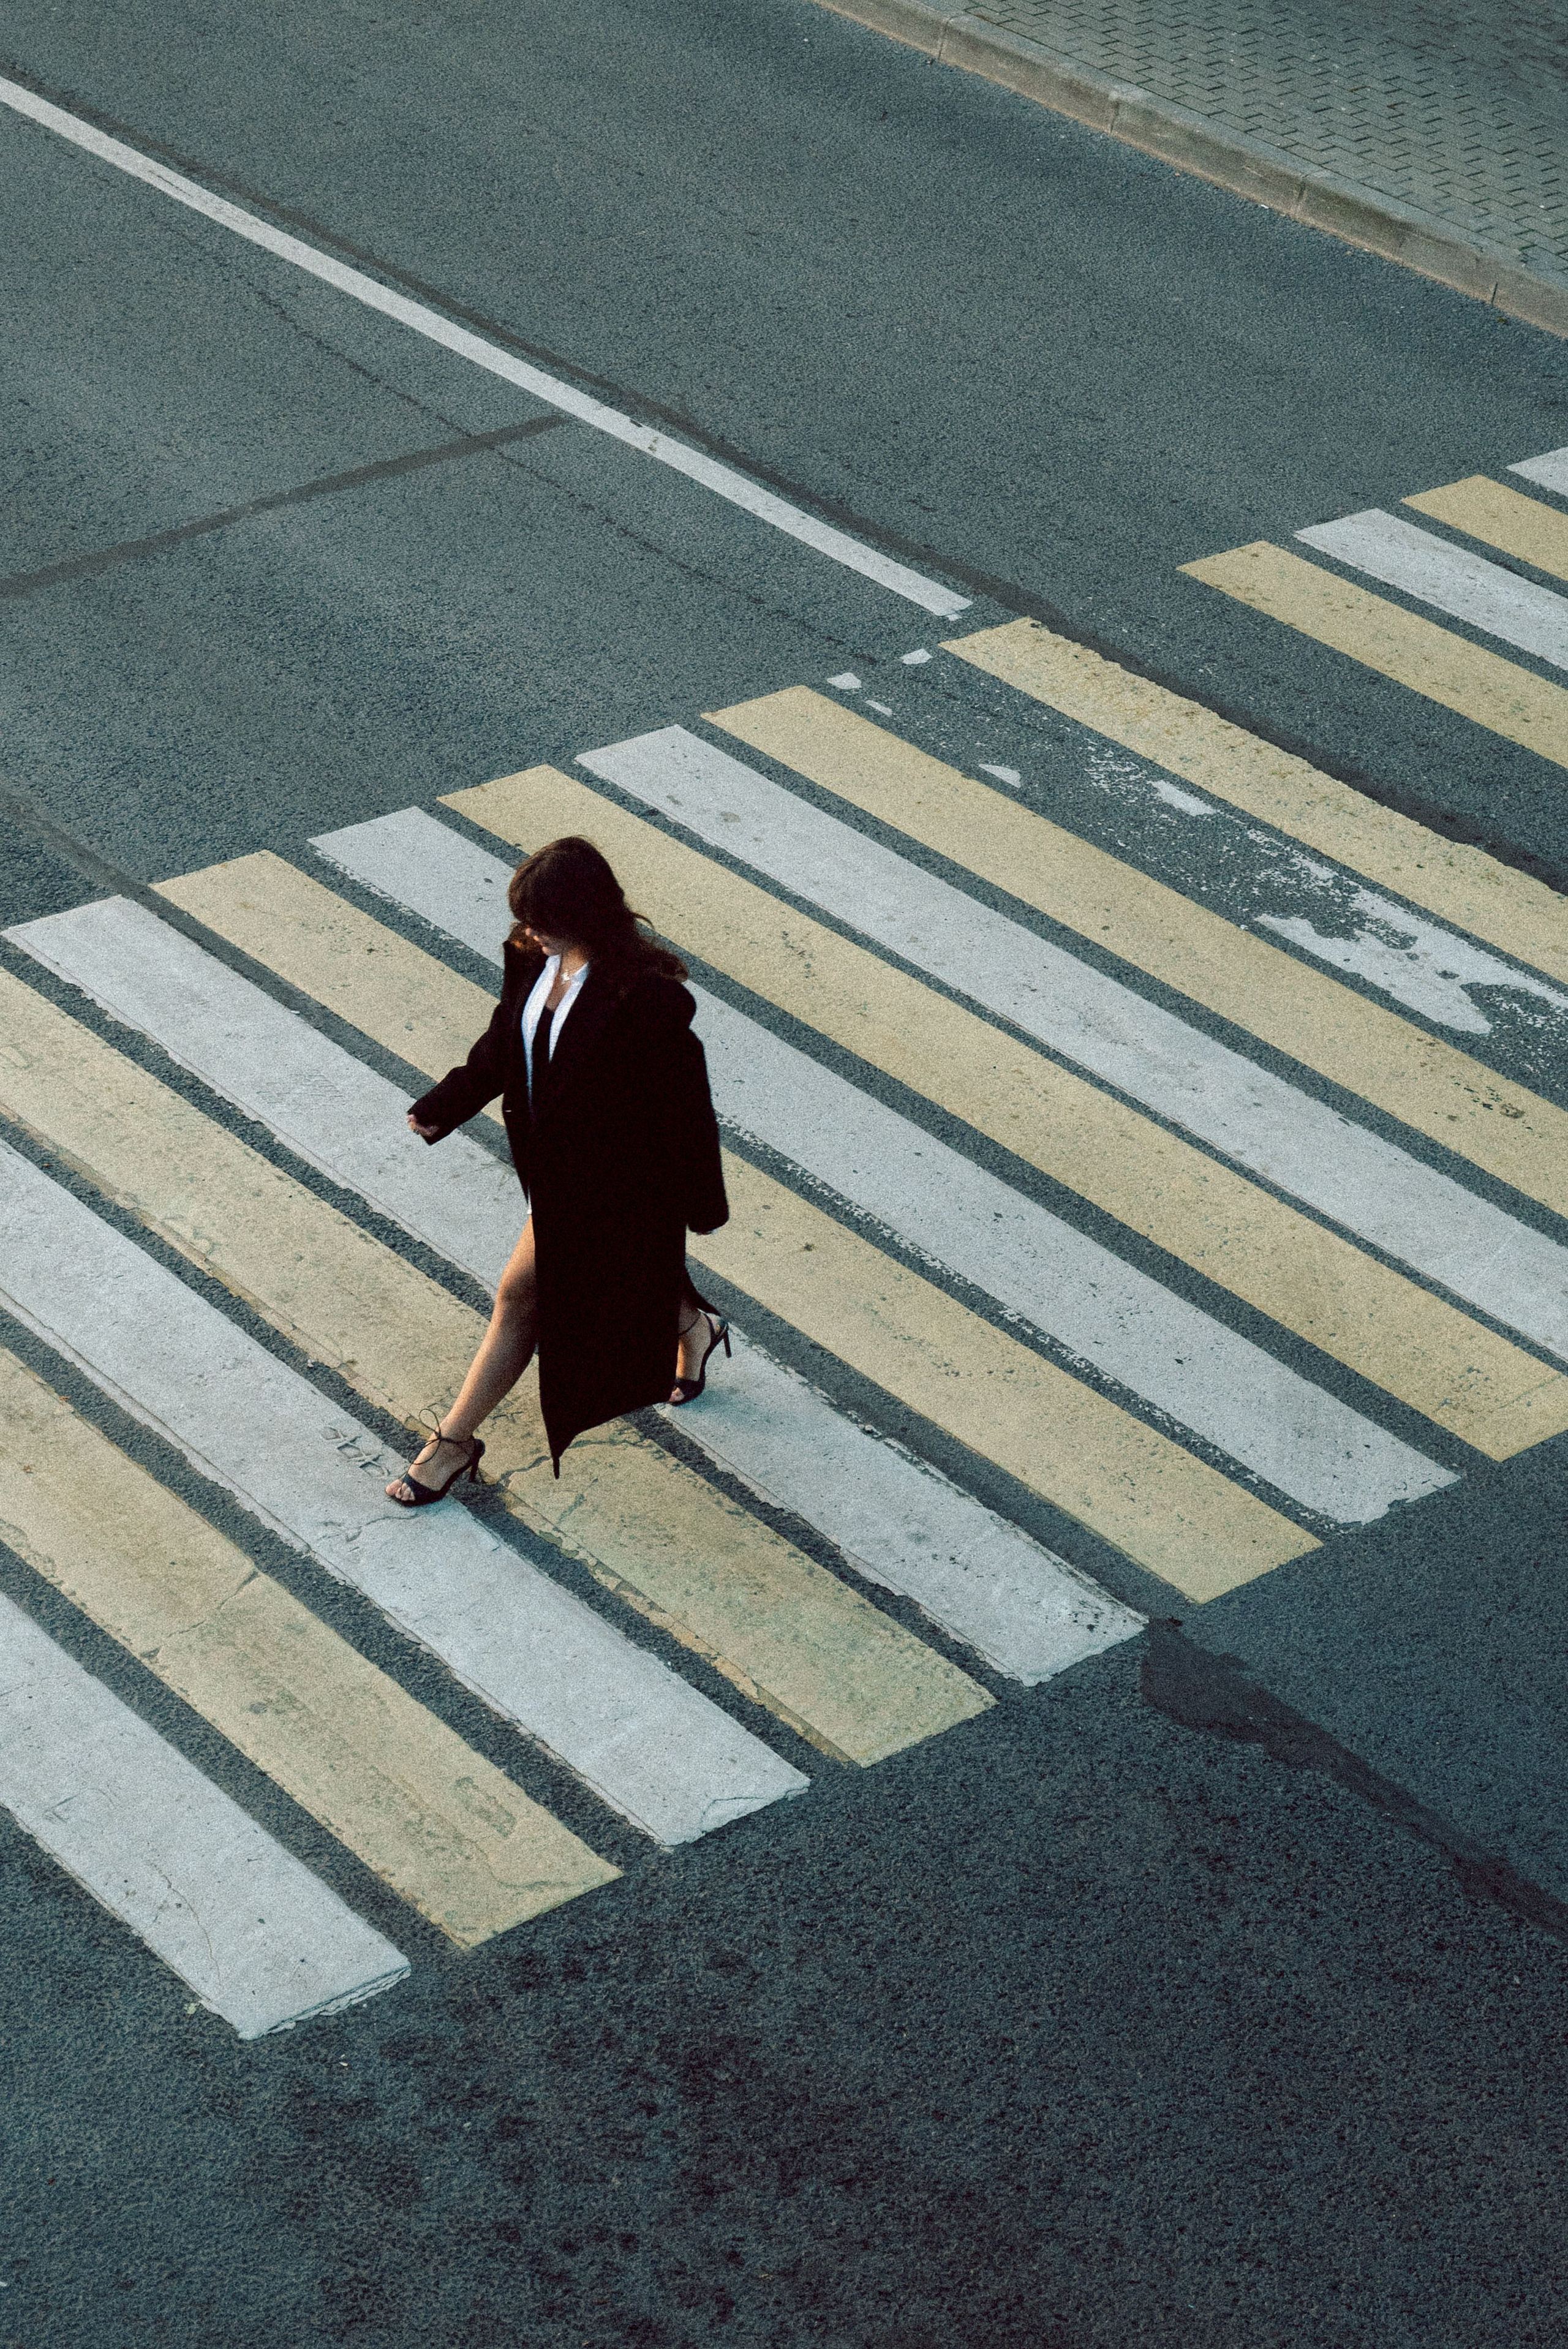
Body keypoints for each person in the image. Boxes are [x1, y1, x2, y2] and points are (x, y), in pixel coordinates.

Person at [385, 834, 731, 1505]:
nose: (531, 931)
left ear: (586, 914)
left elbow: (687, 1108)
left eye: (545, 919)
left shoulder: (646, 997)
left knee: (520, 1297)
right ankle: (693, 1327)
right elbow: (505, 1040)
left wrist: (701, 1205)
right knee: (624, 1271)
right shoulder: (532, 957)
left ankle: (453, 1443)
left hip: (616, 1185)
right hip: (551, 1172)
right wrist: (446, 1103)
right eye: (526, 917)